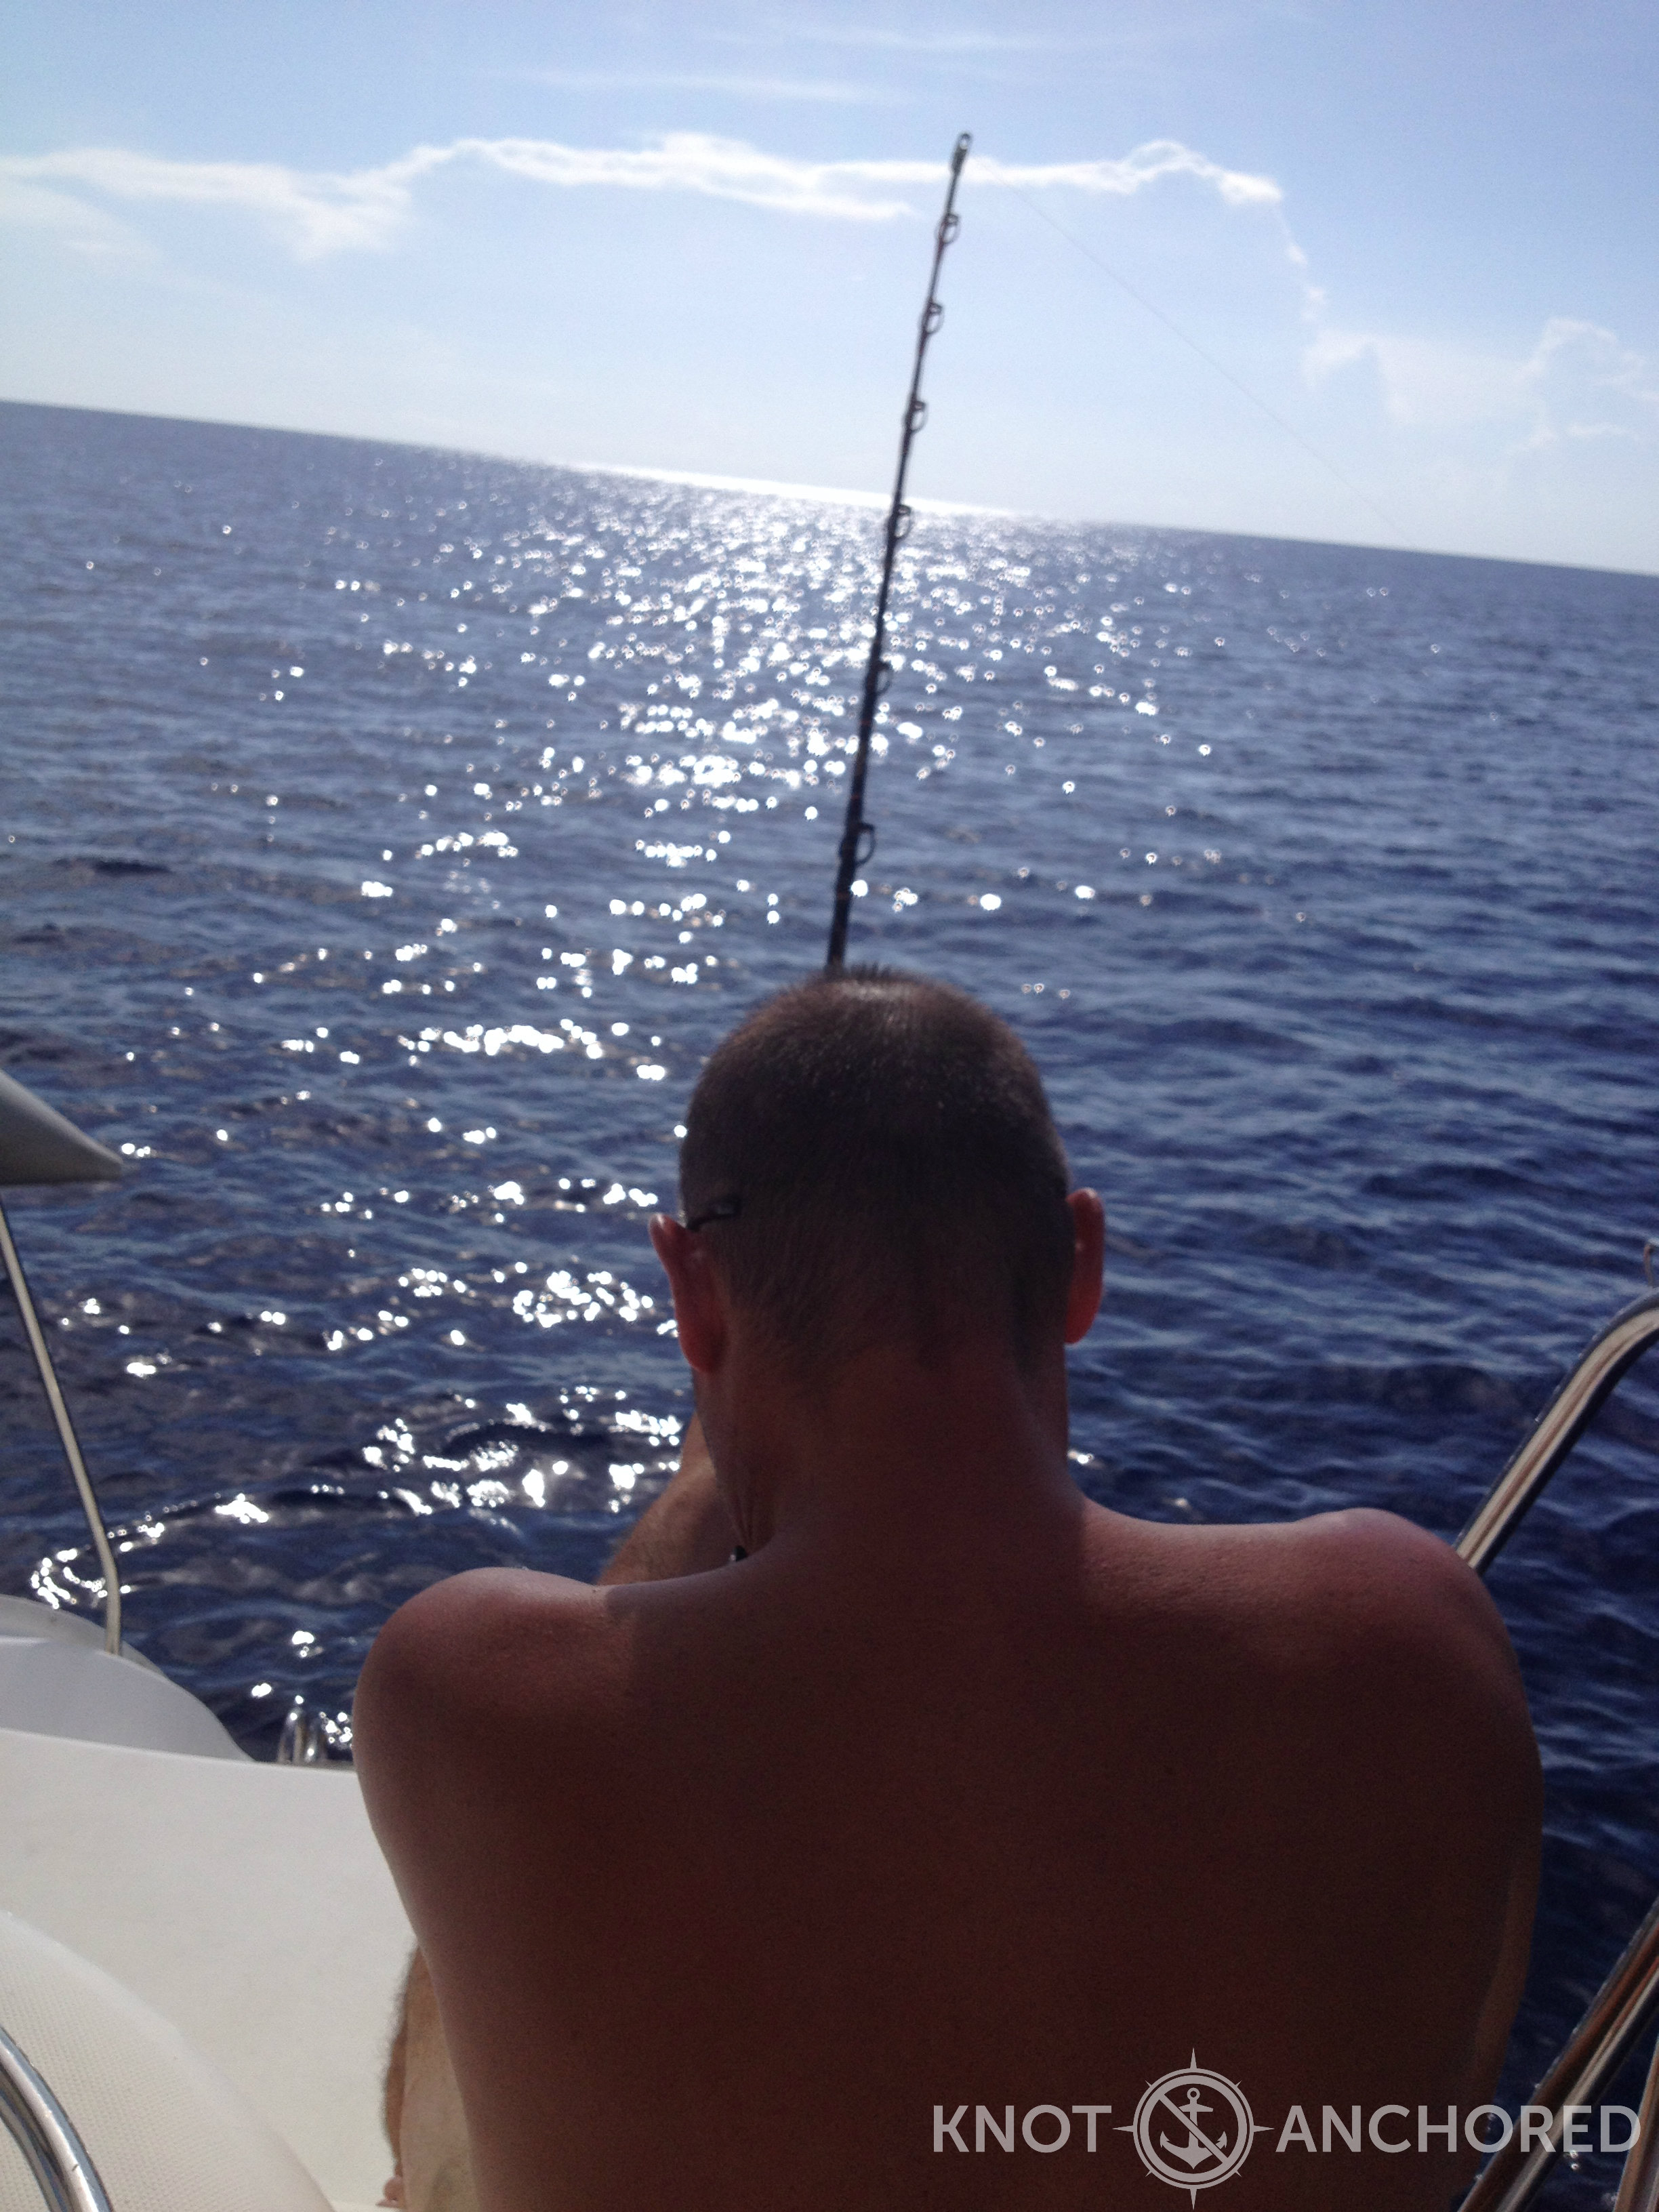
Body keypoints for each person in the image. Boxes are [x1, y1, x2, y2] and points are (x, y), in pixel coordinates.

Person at [356, 966, 1541, 2212]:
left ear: (690, 1297)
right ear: (1081, 1264)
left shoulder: (465, 1693)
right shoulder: (1413, 1642)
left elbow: (447, 2130)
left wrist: (699, 1496)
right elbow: (1448, 2103)